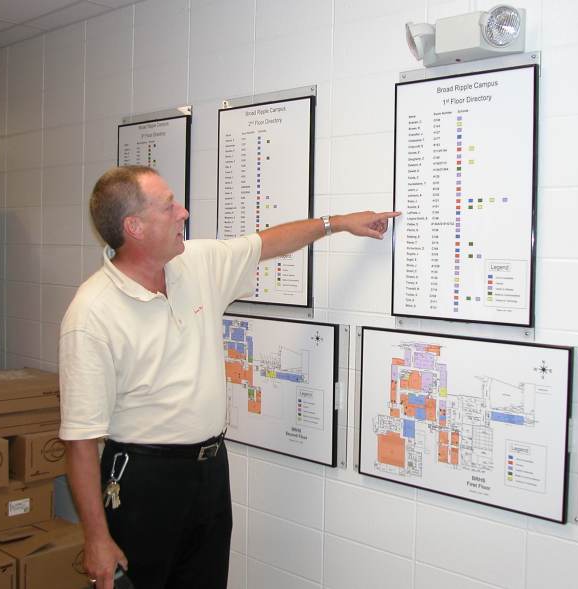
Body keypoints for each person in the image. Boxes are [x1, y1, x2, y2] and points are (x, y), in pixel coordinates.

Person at [59, 165, 399, 589]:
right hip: (144, 481)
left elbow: (267, 243)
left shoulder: (195, 262)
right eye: (168, 206)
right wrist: (96, 539)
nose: (183, 213)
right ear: (135, 227)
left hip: (210, 471)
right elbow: (79, 441)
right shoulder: (92, 313)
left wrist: (339, 223)